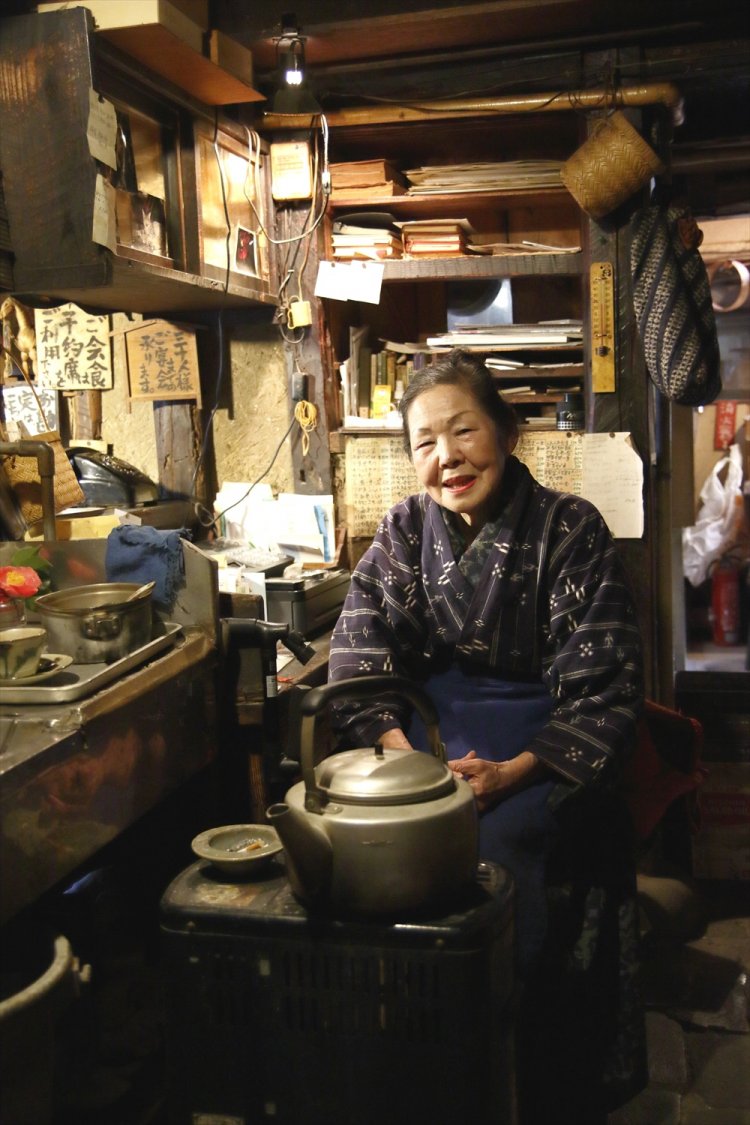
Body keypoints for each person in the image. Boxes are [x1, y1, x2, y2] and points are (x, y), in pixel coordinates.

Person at [328, 349, 647, 1125]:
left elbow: (604, 685)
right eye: (425, 443)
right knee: (360, 846)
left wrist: (511, 773)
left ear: (504, 430)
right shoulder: (406, 529)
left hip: (542, 748)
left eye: (463, 430)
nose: (447, 458)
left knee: (498, 856)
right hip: (432, 742)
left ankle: (525, 1071)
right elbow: (359, 650)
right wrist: (416, 769)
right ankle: (410, 1068)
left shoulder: (570, 529)